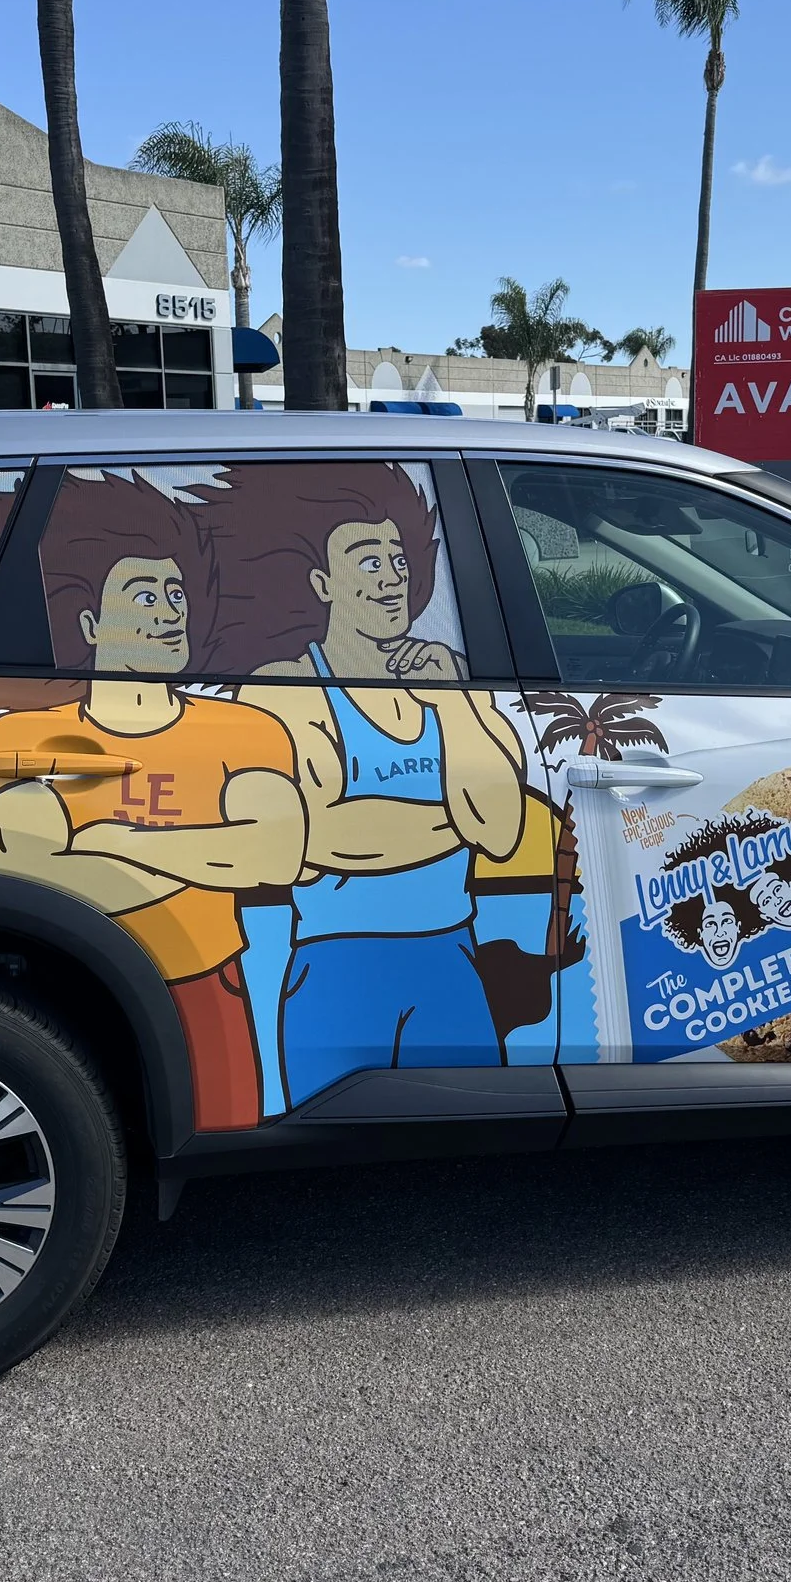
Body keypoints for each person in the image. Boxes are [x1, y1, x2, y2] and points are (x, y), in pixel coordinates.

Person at [0, 475, 303, 1132]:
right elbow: (29, 866)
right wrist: (206, 854)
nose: (170, 612)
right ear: (89, 624)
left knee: (228, 1120)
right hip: (70, 988)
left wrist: (112, 839)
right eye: (145, 595)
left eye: (177, 594)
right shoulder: (17, 737)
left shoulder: (247, 728)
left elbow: (273, 852)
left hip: (210, 984)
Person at [215, 464, 528, 1107]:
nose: (391, 578)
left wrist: (450, 702)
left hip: (453, 956)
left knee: (469, 1130)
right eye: (367, 560)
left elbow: (501, 831)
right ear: (322, 584)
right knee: (326, 1136)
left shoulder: (445, 674)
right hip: (338, 963)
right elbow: (324, 837)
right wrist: (459, 816)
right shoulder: (285, 686)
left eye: (398, 560)